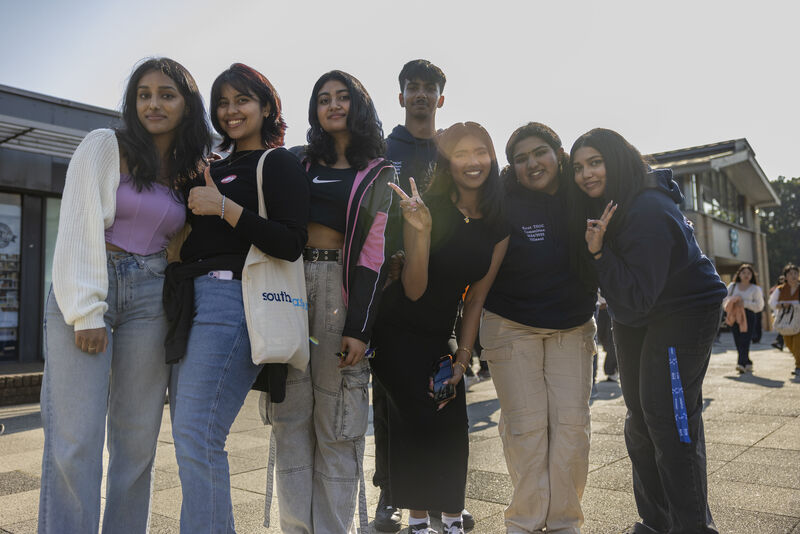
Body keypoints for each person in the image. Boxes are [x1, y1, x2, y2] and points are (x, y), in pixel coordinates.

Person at [38, 57, 210, 533]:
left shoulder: (190, 170)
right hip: (89, 290)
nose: (153, 103)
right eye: (144, 94)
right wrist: (88, 310)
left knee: (137, 444)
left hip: (151, 297)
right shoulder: (103, 145)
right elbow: (77, 225)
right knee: (76, 441)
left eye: (167, 94)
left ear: (186, 105)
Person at [167, 63, 309, 532]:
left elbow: (291, 243)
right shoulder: (210, 167)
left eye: (242, 100)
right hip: (192, 302)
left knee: (198, 434)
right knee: (193, 436)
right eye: (223, 103)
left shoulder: (277, 162)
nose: (231, 111)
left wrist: (225, 208)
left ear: (266, 107)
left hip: (233, 301)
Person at [570, 128, 727, 534]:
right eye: (578, 166)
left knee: (669, 418)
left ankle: (691, 527)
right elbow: (631, 299)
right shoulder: (613, 203)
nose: (586, 173)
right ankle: (657, 521)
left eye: (595, 162)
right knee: (640, 419)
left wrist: (599, 252)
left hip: (683, 311)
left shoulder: (647, 210)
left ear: (616, 161)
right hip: (639, 312)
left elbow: (636, 295)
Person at [266, 70, 396, 534]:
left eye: (343, 97)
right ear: (315, 110)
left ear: (358, 106)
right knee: (290, 421)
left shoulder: (379, 171)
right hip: (291, 287)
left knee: (338, 424)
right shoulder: (298, 162)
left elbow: (373, 255)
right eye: (324, 99)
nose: (334, 105)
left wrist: (359, 327)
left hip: (340, 292)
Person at [371, 122, 510, 534]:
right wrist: (423, 232)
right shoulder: (427, 207)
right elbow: (413, 290)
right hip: (397, 328)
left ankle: (450, 515)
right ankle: (418, 521)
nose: (472, 161)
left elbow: (476, 299)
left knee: (450, 412)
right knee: (417, 414)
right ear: (447, 161)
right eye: (461, 153)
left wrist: (463, 358)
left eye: (479, 152)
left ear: (490, 157)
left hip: (438, 332)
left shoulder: (497, 225)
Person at [476, 122, 598, 533]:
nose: (532, 163)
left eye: (539, 152)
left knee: (571, 430)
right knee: (527, 431)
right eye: (521, 158)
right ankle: (524, 524)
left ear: (559, 154)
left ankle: (564, 524)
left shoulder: (581, 195)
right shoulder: (502, 200)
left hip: (573, 327)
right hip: (512, 325)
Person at [376, 59, 479, 533]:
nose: (420, 95)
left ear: (440, 98)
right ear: (400, 97)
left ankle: (442, 498)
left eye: (428, 88)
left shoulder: (448, 151)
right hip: (391, 285)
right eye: (411, 87)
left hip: (439, 288)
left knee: (441, 394)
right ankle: (390, 495)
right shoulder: (383, 149)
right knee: (392, 397)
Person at [723, 264, 764, 373]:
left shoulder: (755, 288)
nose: (746, 275)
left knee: (745, 340)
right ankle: (747, 361)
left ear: (752, 275)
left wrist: (744, 303)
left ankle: (741, 363)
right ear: (739, 274)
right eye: (744, 273)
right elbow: (724, 300)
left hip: (749, 316)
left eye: (749, 273)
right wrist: (734, 301)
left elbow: (760, 306)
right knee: (737, 339)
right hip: (734, 315)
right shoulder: (732, 286)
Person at [769, 263, 800, 376]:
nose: (793, 276)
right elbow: (772, 304)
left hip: (799, 321)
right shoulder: (780, 290)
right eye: (790, 273)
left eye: (795, 273)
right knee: (789, 345)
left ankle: (798, 366)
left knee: (798, 344)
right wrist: (782, 305)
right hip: (786, 322)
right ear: (785, 276)